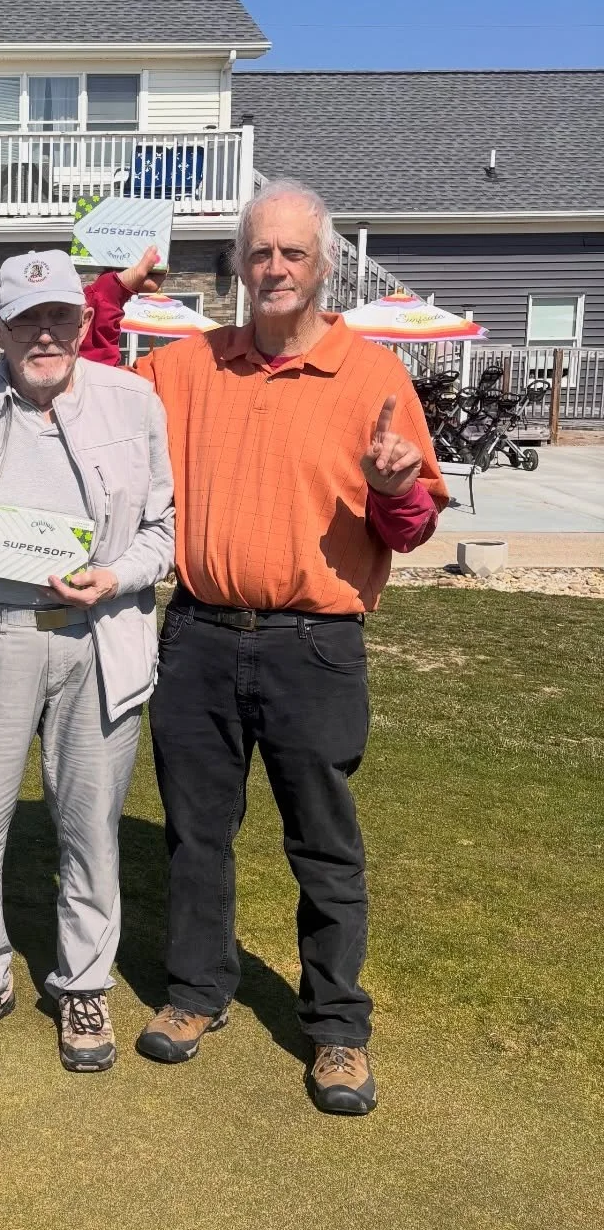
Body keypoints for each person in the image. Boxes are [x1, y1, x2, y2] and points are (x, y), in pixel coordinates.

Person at [125, 179, 447, 1115]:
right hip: (197, 636)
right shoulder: (189, 367)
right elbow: (93, 385)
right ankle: (195, 995)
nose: (274, 268)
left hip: (318, 644)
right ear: (237, 263)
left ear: (324, 266)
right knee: (196, 837)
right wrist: (109, 294)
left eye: (293, 253)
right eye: (259, 251)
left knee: (324, 846)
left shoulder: (373, 376)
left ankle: (338, 1028)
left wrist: (394, 489)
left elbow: (414, 525)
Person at [0, 252, 175, 1072]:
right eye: (25, 319)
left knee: (89, 827)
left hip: (101, 637)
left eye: (58, 316)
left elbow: (163, 533)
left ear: (84, 324)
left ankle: (83, 982)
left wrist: (114, 575)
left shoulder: (134, 400)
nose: (43, 333)